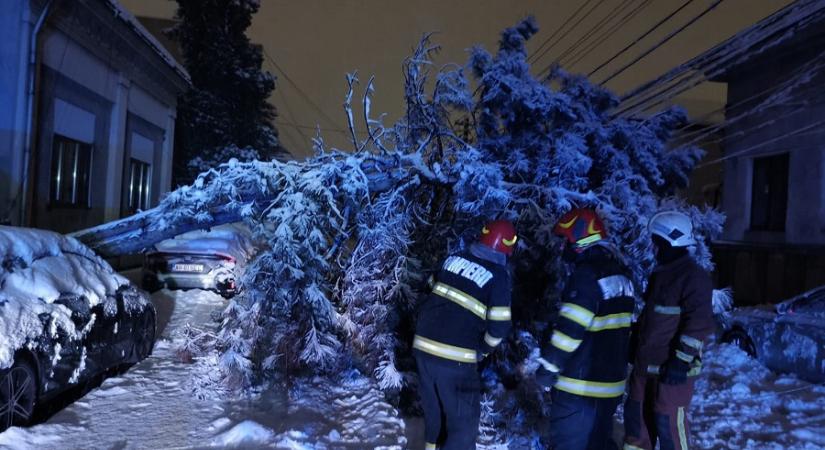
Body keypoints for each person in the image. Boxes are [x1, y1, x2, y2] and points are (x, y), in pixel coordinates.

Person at [535, 207, 636, 450]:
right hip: (610, 386)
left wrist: (548, 369)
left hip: (579, 389)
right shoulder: (621, 274)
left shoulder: (586, 275)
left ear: (578, 240)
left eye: (566, 241)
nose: (563, 248)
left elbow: (571, 329)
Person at [413, 219, 516, 450]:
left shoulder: (454, 258)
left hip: (422, 347)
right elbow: (499, 326)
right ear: (508, 247)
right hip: (456, 358)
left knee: (434, 411)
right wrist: (484, 349)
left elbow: (429, 285)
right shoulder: (499, 276)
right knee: (463, 425)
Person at [623, 211, 714, 450]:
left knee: (669, 427)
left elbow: (699, 324)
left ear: (671, 241)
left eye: (657, 242)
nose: (653, 248)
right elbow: (655, 318)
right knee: (636, 425)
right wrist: (635, 340)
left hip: (672, 372)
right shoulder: (662, 274)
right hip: (645, 368)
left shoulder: (693, 277)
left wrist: (681, 361)